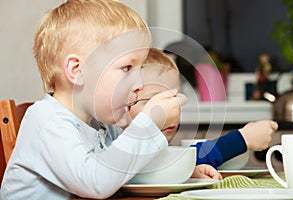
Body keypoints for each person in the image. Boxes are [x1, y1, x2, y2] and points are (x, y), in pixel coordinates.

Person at [1, 1, 187, 200]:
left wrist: (180, 172)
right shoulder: (46, 120)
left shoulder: (101, 126)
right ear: (77, 71)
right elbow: (95, 183)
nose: (140, 83)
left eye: (140, 70)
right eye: (127, 68)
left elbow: (124, 172)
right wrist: (148, 125)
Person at [119, 48, 278, 176]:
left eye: (174, 100)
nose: (170, 113)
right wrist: (243, 139)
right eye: (154, 103)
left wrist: (190, 172)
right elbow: (192, 156)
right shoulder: (117, 150)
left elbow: (162, 165)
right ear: (121, 110)